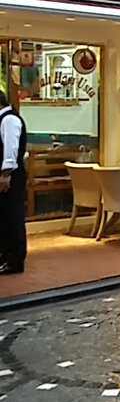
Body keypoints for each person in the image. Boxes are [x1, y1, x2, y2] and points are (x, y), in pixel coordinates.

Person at [0, 91, 27, 275]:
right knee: (3, 217)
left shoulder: (10, 120)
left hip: (11, 176)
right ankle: (5, 254)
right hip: (5, 175)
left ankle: (16, 260)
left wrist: (5, 174)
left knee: (12, 217)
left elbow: (11, 149)